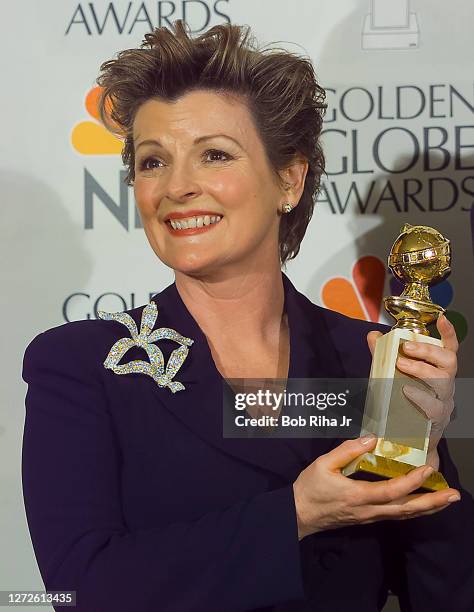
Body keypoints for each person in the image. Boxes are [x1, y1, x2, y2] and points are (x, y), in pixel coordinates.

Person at [22, 20, 473, 612]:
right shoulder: (83, 364)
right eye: (154, 162)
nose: (178, 186)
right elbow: (72, 590)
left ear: (289, 179)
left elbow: (444, 594)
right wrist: (294, 517)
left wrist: (425, 457)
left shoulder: (368, 357)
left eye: (213, 155)